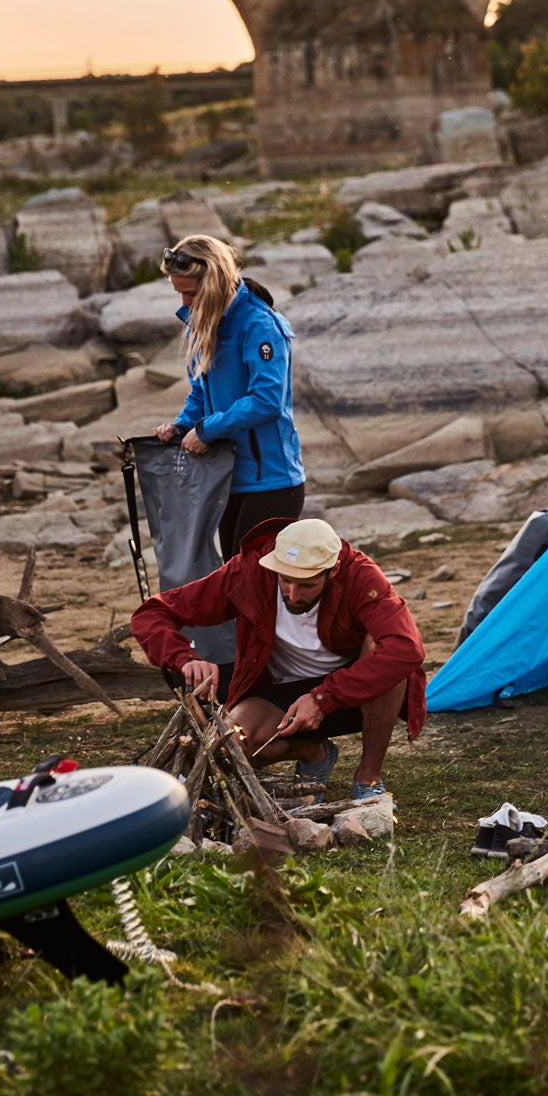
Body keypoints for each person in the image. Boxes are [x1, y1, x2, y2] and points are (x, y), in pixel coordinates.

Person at [130, 517, 427, 801]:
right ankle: (314, 752)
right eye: (285, 580)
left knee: (383, 650)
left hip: (350, 694)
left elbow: (406, 648)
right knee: (230, 748)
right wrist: (183, 658)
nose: (293, 595)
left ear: (332, 571)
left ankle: (368, 778)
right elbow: (154, 612)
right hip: (277, 694)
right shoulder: (250, 570)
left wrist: (324, 697)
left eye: (307, 585)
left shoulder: (359, 575)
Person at [152, 234, 306, 563]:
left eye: (190, 293)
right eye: (179, 292)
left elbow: (267, 401)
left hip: (272, 482)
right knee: (237, 586)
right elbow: (200, 394)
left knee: (254, 586)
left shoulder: (260, 326)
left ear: (214, 284)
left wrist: (207, 431)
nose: (183, 303)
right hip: (227, 478)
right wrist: (181, 428)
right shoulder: (202, 324)